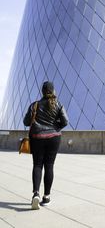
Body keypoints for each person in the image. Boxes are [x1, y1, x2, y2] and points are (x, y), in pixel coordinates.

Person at [23, 81, 68, 210]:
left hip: (37, 138)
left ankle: (36, 194)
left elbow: (26, 121)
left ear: (42, 91)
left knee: (37, 165)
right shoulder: (58, 104)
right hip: (54, 139)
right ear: (53, 91)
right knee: (49, 166)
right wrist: (55, 128)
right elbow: (65, 121)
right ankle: (46, 196)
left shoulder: (35, 105)